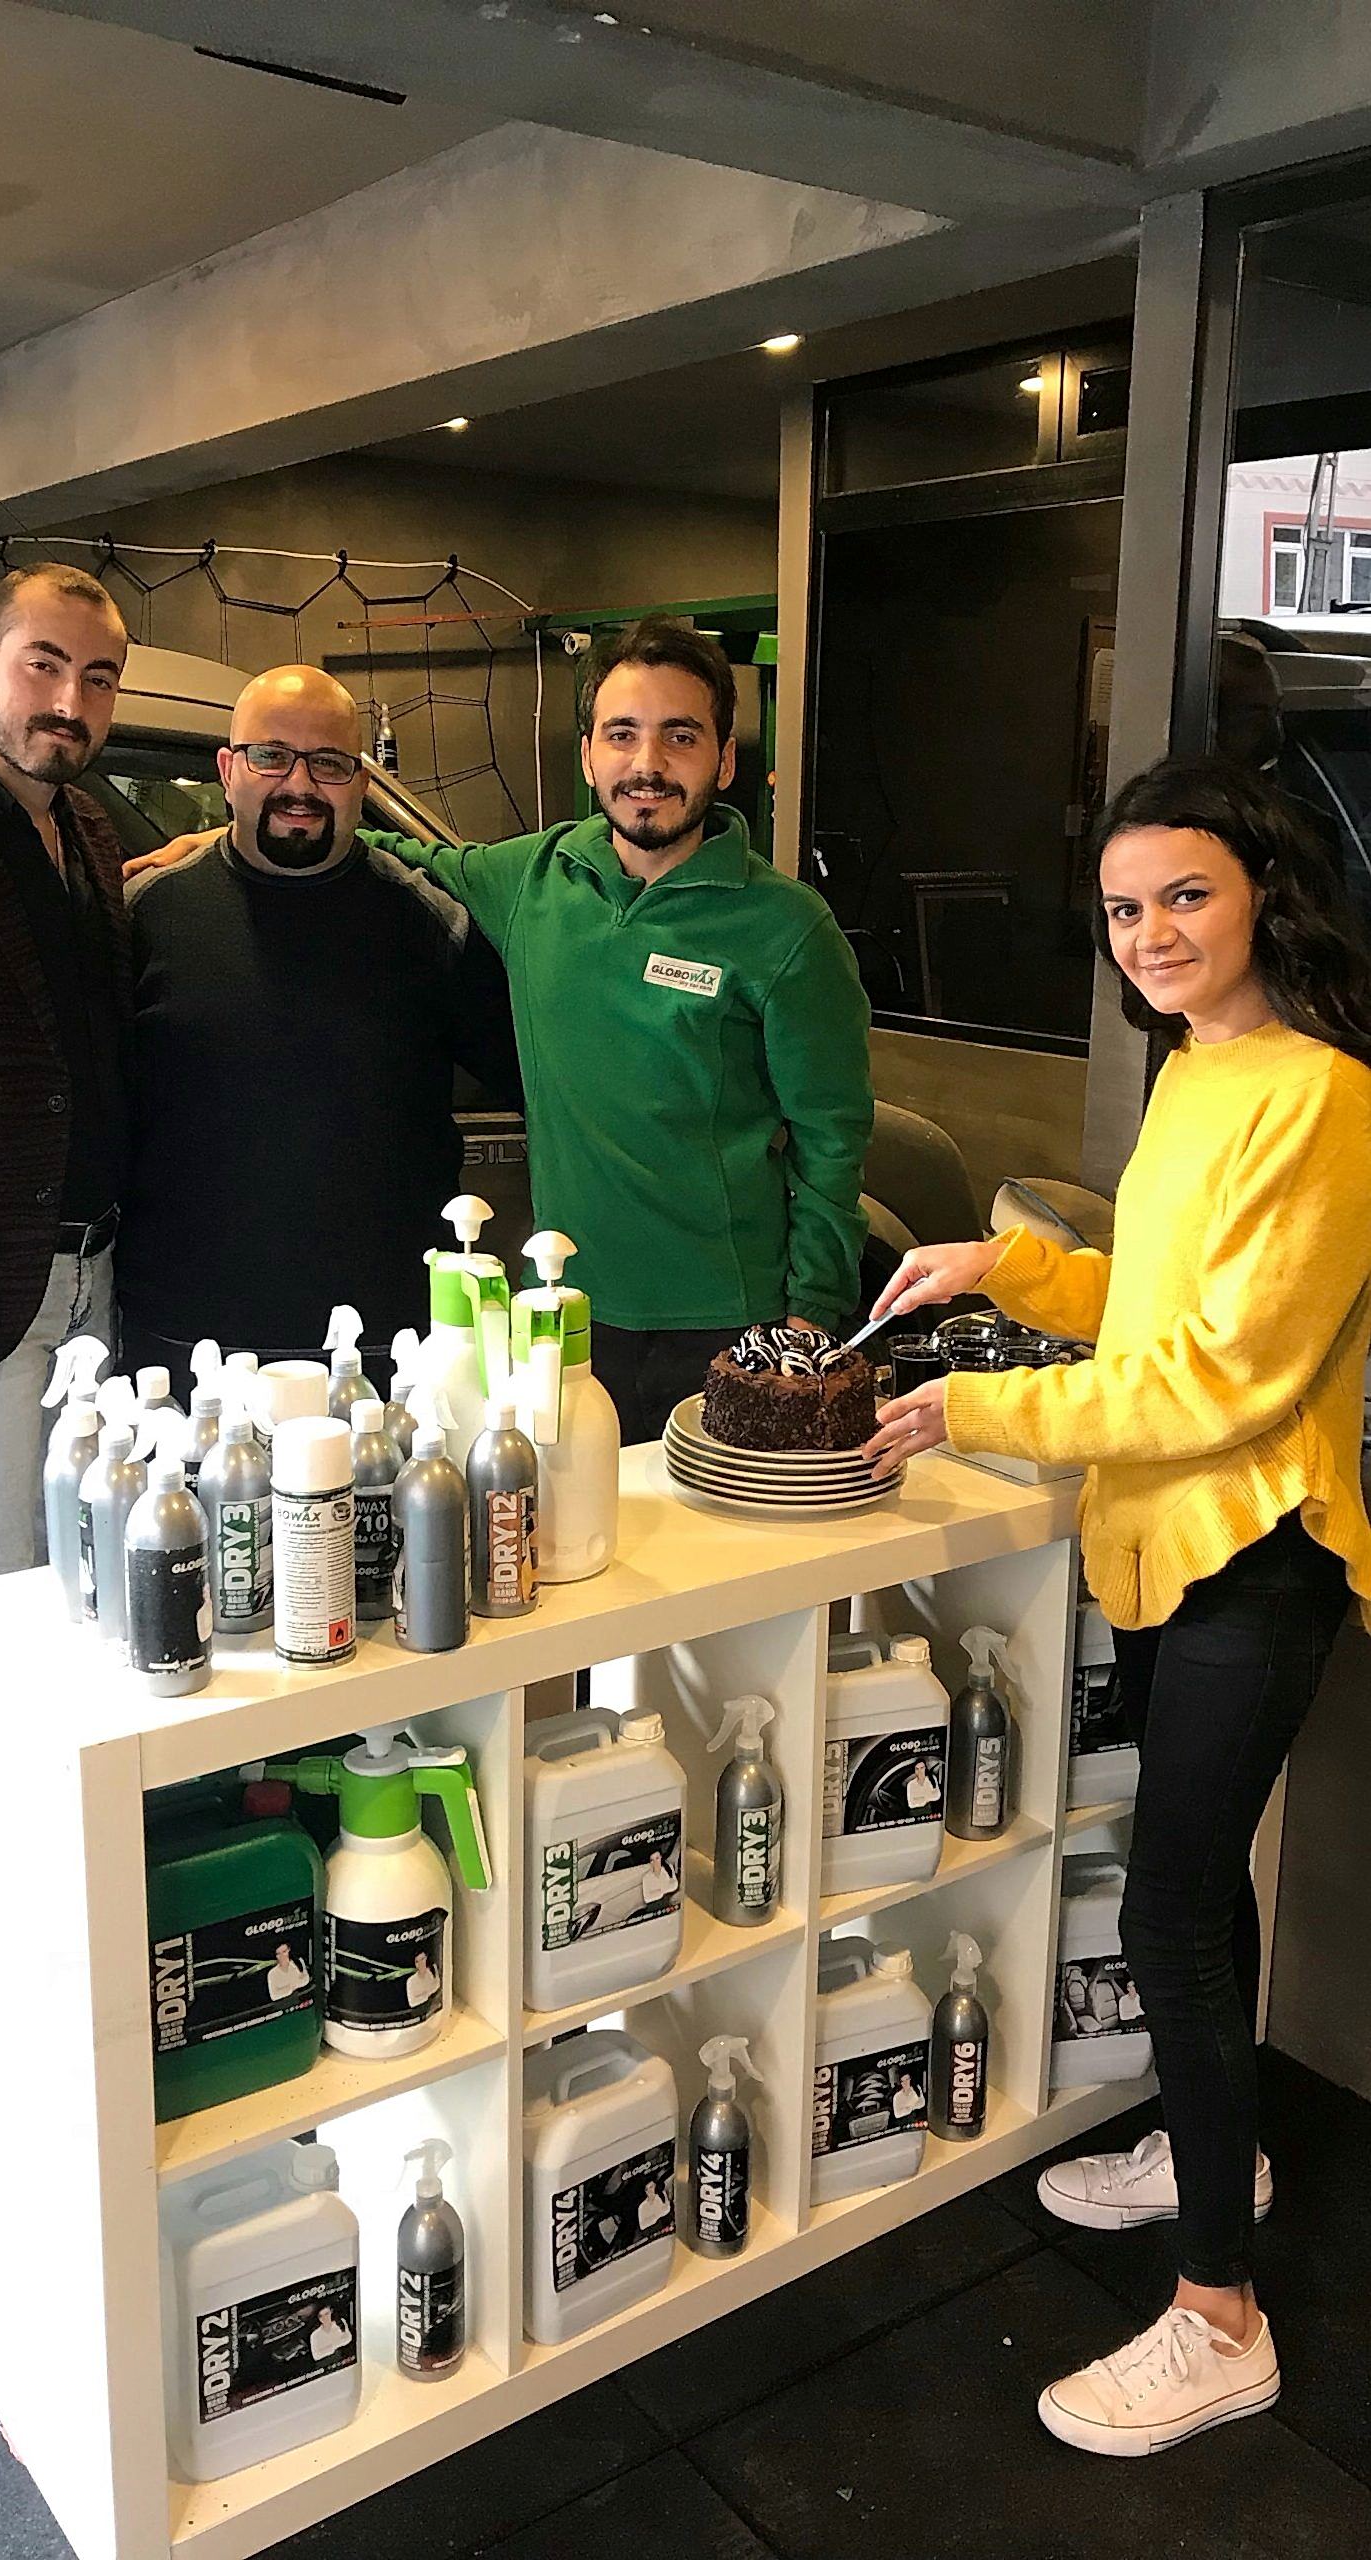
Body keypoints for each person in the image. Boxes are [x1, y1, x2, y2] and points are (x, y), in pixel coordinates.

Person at [864, 755, 1371, 2458]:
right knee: (1195, 1890)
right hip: (1165, 1543)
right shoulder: (1196, 1069)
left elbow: (1223, 1379)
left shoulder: (1320, 1094)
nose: (1146, 933)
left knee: (1162, 1913)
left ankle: (1217, 2317)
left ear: (1264, 897)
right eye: (1121, 907)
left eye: (1183, 896)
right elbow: (1146, 1307)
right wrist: (1000, 1269)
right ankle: (1219, 2155)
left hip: (1253, 1552)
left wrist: (973, 1405)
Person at [135, 621, 873, 1441]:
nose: (648, 764)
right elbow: (376, 844)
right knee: (576, 1519)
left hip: (728, 1321)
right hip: (561, 1317)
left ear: (724, 760)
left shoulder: (786, 927)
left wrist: (808, 1318)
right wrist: (231, 835)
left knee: (723, 1521)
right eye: (621, 734)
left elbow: (832, 1138)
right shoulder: (531, 878)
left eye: (680, 736)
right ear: (588, 755)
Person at [118, 667, 519, 1402]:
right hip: (185, 1348)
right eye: (271, 756)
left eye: (329, 763)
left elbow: (538, 1079)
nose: (298, 785)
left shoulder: (431, 925)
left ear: (361, 782)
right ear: (227, 770)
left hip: (386, 1351)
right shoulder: (146, 914)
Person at [0, 564, 130, 1582]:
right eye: (43, 666)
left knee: (80, 1583)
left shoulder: (87, 828)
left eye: (98, 678)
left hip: (97, 1276)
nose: (69, 702)